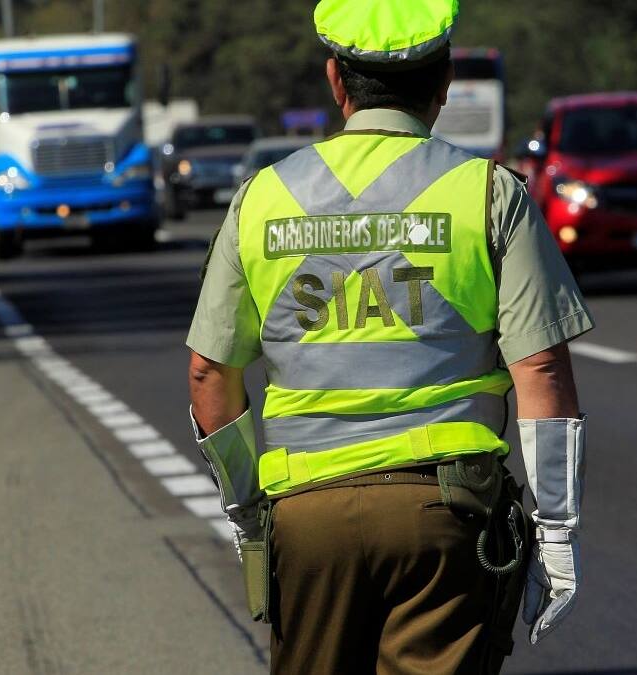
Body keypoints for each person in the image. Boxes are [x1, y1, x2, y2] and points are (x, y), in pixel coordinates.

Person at [185, 0, 593, 672]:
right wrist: (556, 530)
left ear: (335, 81)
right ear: (445, 84)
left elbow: (209, 374)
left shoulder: (262, 197)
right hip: (447, 514)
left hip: (307, 514)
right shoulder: (488, 193)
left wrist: (248, 515)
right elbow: (542, 370)